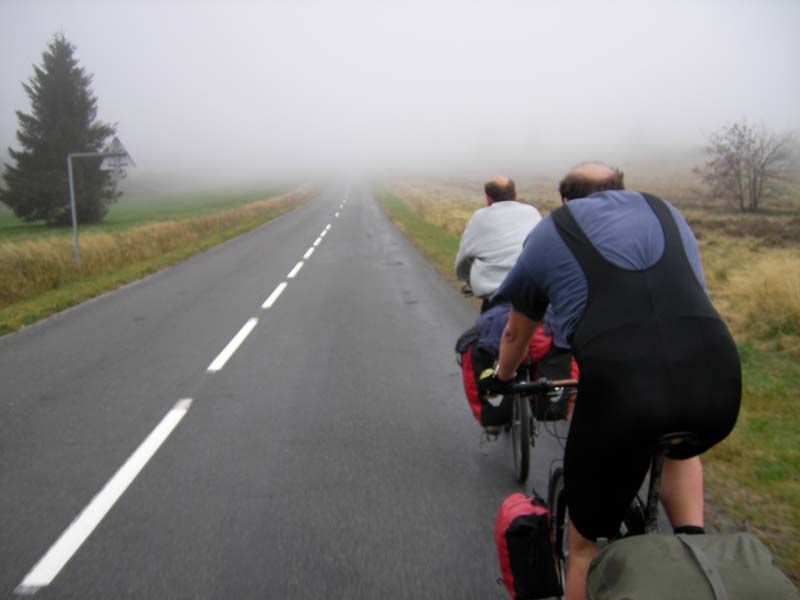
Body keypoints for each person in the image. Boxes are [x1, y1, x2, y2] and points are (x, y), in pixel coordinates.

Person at [482, 162, 741, 599]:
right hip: (716, 377)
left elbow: (515, 333)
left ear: (566, 199)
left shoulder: (553, 229)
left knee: (584, 547)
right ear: (620, 188)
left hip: (622, 390)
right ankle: (696, 550)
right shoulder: (666, 212)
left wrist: (503, 378)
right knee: (680, 446)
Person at [455, 176, 541, 312]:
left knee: (488, 324)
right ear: (515, 195)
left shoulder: (480, 217)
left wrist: (467, 280)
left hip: (496, 296)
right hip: (529, 295)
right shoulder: (533, 212)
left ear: (488, 199)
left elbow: (464, 258)